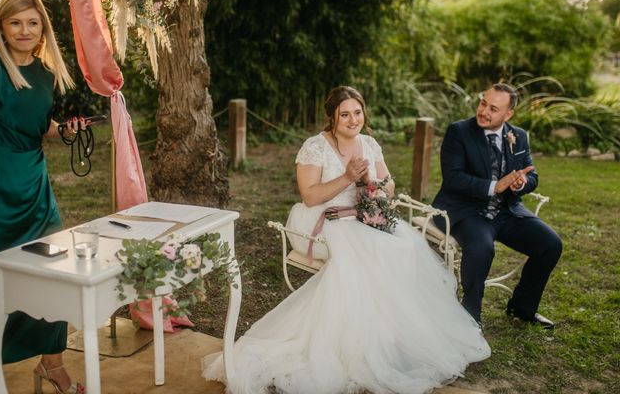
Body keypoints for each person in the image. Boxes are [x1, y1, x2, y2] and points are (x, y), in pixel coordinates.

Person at [203, 86, 489, 394]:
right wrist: (348, 178)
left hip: (361, 214)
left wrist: (375, 185)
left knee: (405, 246)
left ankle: (390, 336)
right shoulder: (316, 146)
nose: (353, 120)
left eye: (357, 112)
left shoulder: (369, 143)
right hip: (323, 218)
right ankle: (355, 343)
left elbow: (389, 185)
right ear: (332, 118)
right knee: (369, 253)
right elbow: (309, 196)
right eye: (345, 114)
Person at [0, 0, 85, 394]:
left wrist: (66, 131)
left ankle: (51, 364)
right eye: (15, 23)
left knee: (54, 271)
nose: (24, 30)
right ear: (1, 28)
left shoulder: (46, 74)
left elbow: (41, 127)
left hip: (34, 186)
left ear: (43, 28)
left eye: (32, 22)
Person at [432, 83, 562, 328]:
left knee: (550, 244)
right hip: (467, 211)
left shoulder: (519, 136)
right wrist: (495, 186)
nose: (484, 111)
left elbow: (532, 175)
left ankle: (522, 308)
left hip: (506, 211)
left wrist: (522, 183)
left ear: (508, 114)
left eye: (493, 108)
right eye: (483, 103)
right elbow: (454, 177)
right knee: (482, 248)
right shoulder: (458, 132)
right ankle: (469, 318)